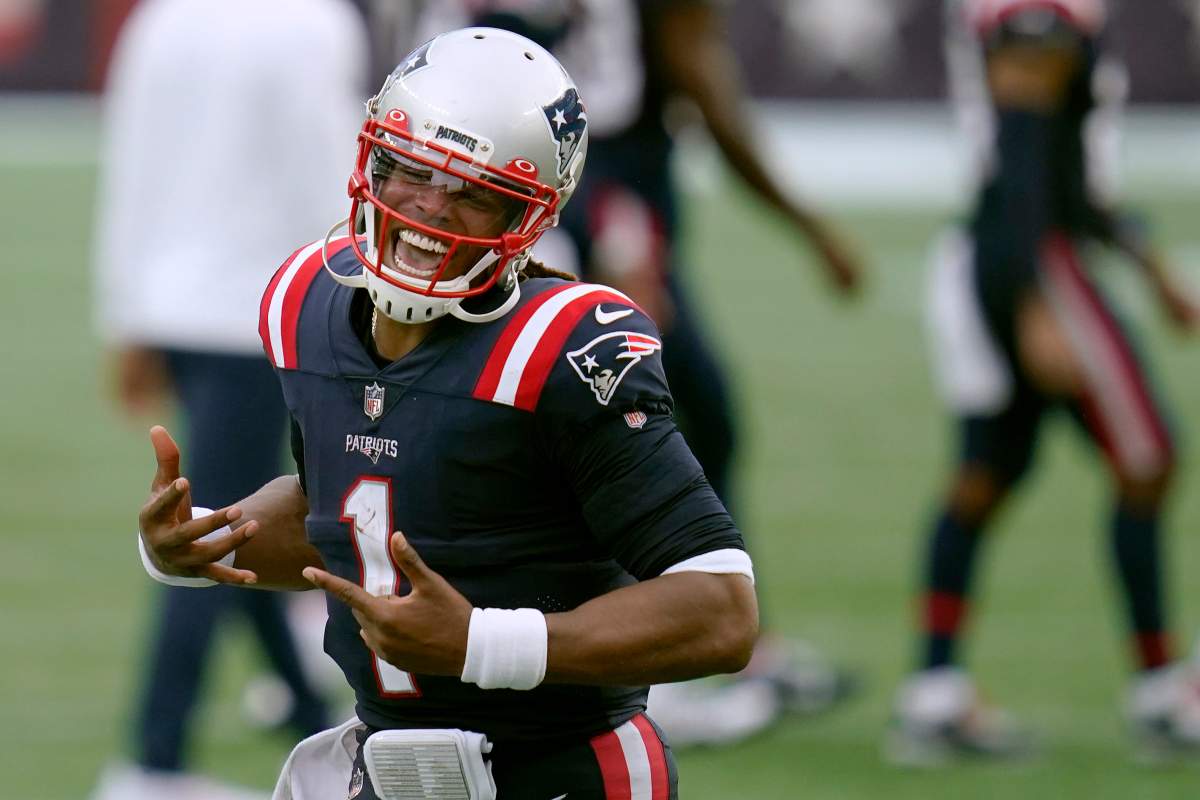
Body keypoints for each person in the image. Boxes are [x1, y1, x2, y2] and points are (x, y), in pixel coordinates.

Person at [136, 27, 759, 799]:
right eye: (410, 169)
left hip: (562, 772)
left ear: (531, 215)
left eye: (474, 190)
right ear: (371, 160)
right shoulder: (306, 303)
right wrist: (205, 544)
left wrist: (480, 643)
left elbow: (719, 610)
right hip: (384, 769)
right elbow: (352, 506)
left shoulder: (564, 345)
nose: (430, 207)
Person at [411, 0, 863, 745]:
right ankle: (630, 653)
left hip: (526, 182)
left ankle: (688, 642)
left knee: (669, 419)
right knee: (632, 424)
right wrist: (805, 223)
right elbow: (699, 79)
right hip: (591, 185)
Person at [888, 0, 1200, 765]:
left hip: (1011, 248)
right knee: (1148, 454)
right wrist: (1034, 304)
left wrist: (1149, 264)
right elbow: (1025, 146)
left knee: (986, 476)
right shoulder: (1035, 16)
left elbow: (1066, 169)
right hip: (1030, 258)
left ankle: (933, 693)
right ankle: (1162, 691)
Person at [90, 0, 368, 796]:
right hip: (260, 312)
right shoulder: (313, 24)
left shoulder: (162, 19)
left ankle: (309, 715)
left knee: (239, 506)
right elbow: (329, 174)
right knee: (215, 530)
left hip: (174, 307)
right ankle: (152, 763)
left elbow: (131, 163)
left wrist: (125, 310)